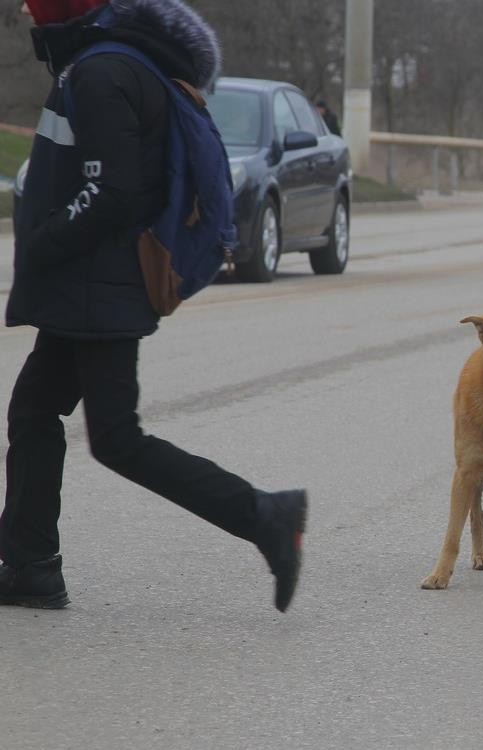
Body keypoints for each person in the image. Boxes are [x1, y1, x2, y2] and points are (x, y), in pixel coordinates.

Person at [2, 0, 307, 612]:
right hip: (91, 287)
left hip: (98, 287)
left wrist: (44, 240)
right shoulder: (111, 62)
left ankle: (266, 515)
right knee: (33, 410)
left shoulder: (103, 70)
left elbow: (113, 189)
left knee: (117, 439)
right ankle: (30, 564)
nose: (28, 9)